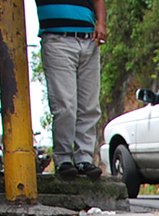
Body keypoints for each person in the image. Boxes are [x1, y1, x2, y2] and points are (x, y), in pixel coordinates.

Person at [36, 0, 107, 179]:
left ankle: (84, 158)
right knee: (65, 105)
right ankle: (63, 159)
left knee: (89, 105)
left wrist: (101, 23)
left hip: (89, 39)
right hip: (57, 38)